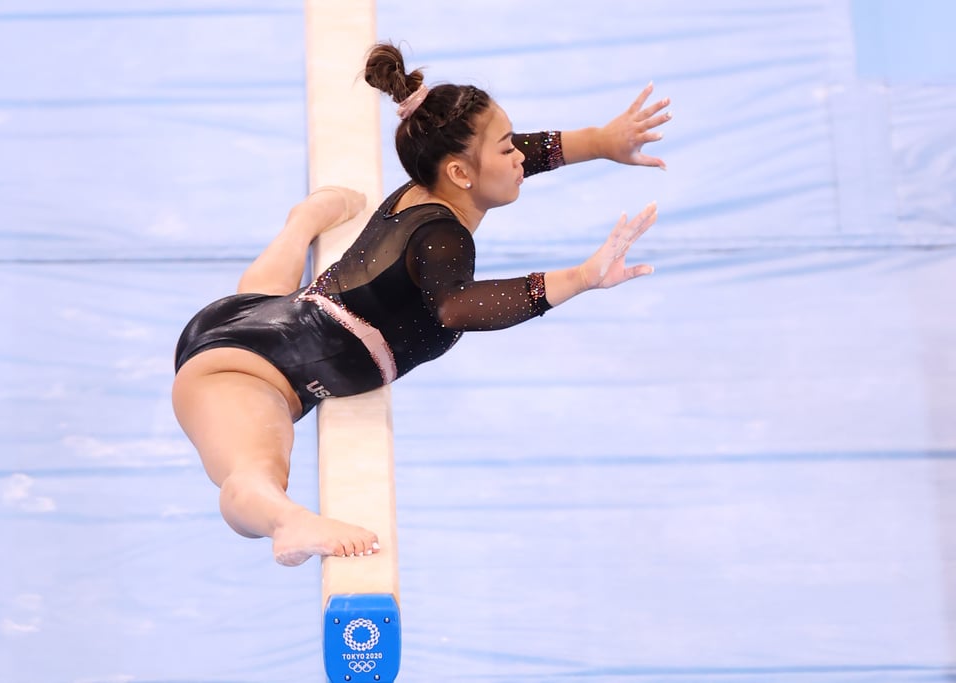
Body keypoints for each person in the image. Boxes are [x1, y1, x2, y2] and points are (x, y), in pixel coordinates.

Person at [171, 42, 671, 567]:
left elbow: (523, 152)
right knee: (253, 471)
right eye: (507, 148)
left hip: (262, 318)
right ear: (461, 173)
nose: (520, 155)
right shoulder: (443, 237)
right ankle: (286, 523)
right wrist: (582, 277)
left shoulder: (433, 177)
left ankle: (303, 222)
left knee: (274, 300)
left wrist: (602, 141)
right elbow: (456, 308)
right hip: (243, 375)